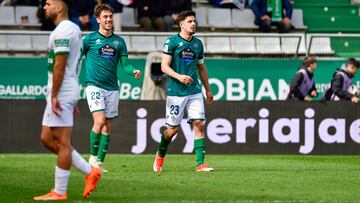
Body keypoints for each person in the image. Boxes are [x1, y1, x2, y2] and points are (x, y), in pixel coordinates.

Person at [33, 0, 102, 201]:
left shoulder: (65, 30)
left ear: (59, 7)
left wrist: (55, 95)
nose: (44, 7)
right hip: (63, 90)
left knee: (63, 142)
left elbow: (61, 66)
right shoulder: (68, 29)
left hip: (62, 90)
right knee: (46, 138)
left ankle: (60, 191)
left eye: (48, 3)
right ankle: (90, 171)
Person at [153, 10, 214, 173]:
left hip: (194, 91)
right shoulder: (172, 42)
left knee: (199, 124)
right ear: (181, 24)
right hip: (176, 92)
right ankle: (160, 154)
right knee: (172, 130)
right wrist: (179, 77)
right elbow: (164, 66)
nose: (193, 24)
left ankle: (200, 164)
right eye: (189, 21)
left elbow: (201, 68)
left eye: (194, 21)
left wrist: (208, 90)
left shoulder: (198, 44)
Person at [83, 4, 141, 172]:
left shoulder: (119, 42)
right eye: (105, 17)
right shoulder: (89, 39)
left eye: (110, 16)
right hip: (94, 86)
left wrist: (133, 71)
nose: (108, 19)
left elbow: (126, 65)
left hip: (112, 88)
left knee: (107, 125)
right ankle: (92, 159)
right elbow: (76, 56)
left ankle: (99, 161)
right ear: (98, 19)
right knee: (99, 121)